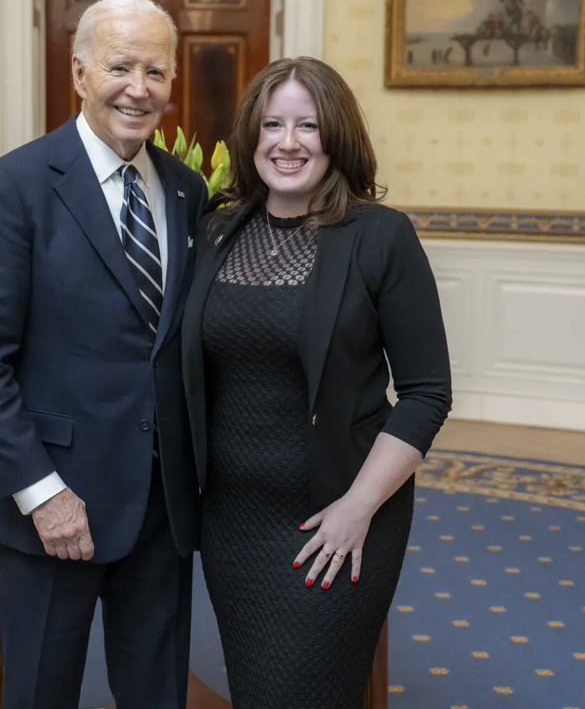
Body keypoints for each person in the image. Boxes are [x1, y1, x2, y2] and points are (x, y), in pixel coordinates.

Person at [0, 0, 208, 709]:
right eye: (120, 66)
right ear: (79, 72)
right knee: (38, 692)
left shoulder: (187, 192)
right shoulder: (16, 185)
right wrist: (44, 492)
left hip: (162, 506)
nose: (139, 87)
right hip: (56, 509)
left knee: (157, 694)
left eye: (155, 71)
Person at [182, 56, 452, 708]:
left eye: (308, 124)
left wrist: (359, 506)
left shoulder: (381, 236)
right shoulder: (218, 230)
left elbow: (426, 393)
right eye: (272, 123)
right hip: (232, 523)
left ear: (337, 134)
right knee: (257, 687)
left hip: (338, 515)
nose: (287, 141)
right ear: (251, 136)